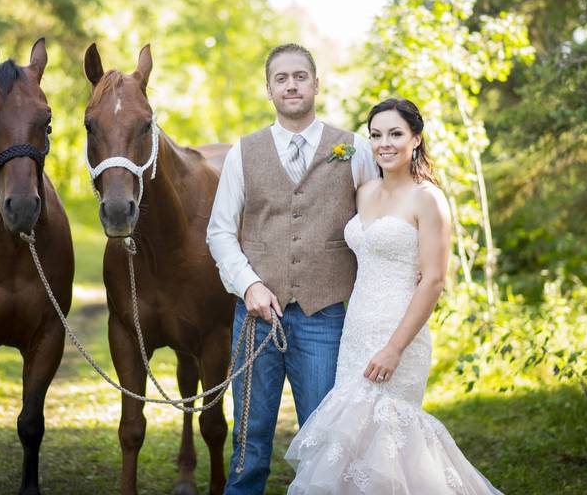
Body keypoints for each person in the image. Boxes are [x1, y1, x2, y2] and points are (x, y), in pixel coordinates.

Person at [284, 97, 503, 494]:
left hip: (399, 332)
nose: (385, 143)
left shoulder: (428, 198)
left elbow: (433, 281)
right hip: (356, 330)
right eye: (376, 135)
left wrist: (395, 348)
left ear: (416, 138)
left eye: (396, 134)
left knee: (390, 436)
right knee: (354, 442)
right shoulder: (364, 192)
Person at [206, 43, 378, 494]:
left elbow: (377, 224)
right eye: (281, 79)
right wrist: (250, 287)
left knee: (326, 442)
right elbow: (220, 233)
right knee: (249, 442)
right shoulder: (243, 153)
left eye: (300, 76)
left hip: (326, 317)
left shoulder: (355, 149)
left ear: (316, 84)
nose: (292, 85)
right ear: (269, 90)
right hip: (256, 320)